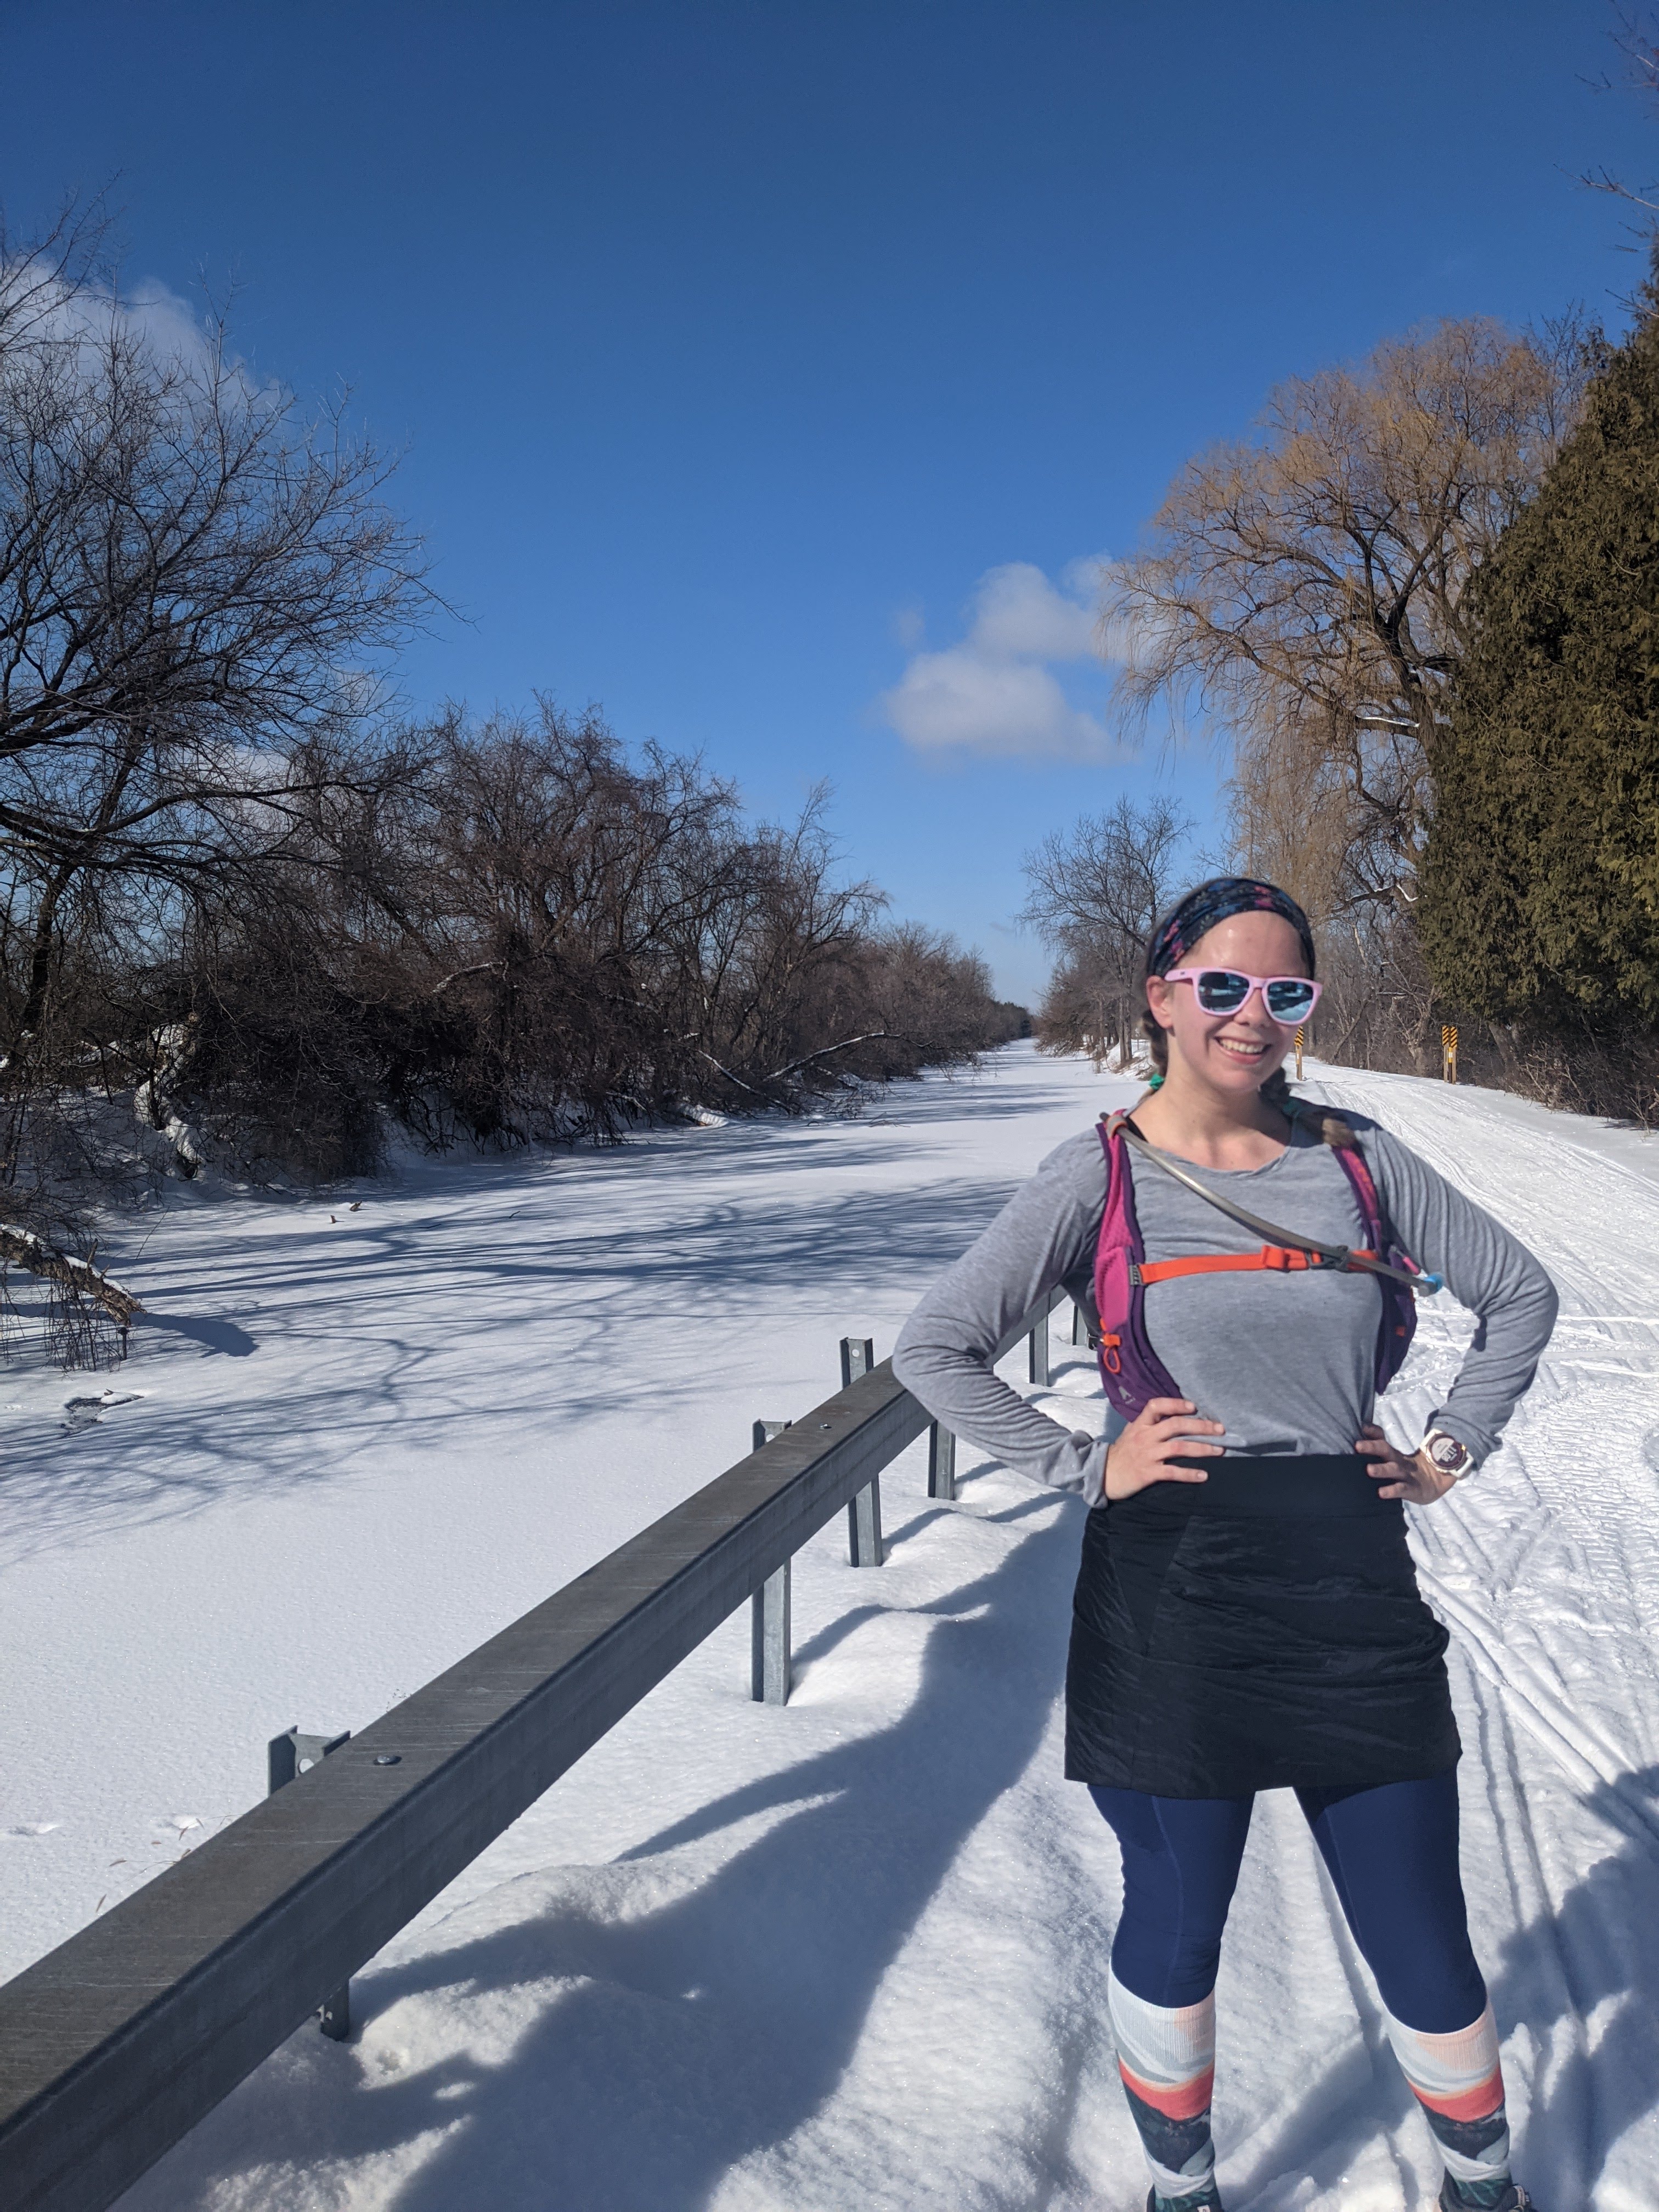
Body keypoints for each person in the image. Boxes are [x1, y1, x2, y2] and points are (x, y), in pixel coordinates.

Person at [892, 877, 1557, 2212]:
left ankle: (1486, 2190)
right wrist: (1085, 1463)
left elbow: (1521, 1294)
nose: (1255, 1018)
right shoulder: (1102, 1172)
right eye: (1223, 986)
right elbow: (935, 1348)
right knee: (1180, 1925)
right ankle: (1180, 2191)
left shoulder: (1359, 1160)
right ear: (1163, 995)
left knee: (1423, 1937)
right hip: (1176, 1595)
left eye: (1286, 993)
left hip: (1351, 1583)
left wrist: (1443, 1456)